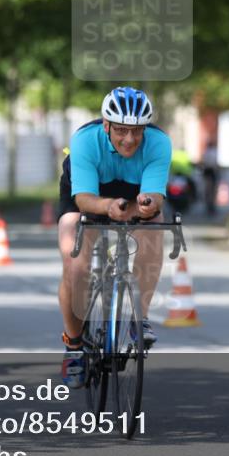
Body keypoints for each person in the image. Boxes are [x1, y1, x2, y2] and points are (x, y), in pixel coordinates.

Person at [56, 86, 171, 388]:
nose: (129, 139)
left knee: (156, 226)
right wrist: (108, 207)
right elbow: (83, 199)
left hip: (132, 194)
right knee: (75, 264)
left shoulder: (159, 143)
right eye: (121, 130)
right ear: (106, 125)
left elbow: (154, 197)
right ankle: (73, 346)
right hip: (87, 194)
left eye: (136, 131)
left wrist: (146, 207)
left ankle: (139, 319)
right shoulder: (84, 140)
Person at [201, 138, 219, 216]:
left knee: (209, 190)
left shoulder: (206, 152)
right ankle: (211, 205)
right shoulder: (214, 152)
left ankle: (210, 205)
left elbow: (204, 162)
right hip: (211, 172)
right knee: (212, 190)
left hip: (208, 172)